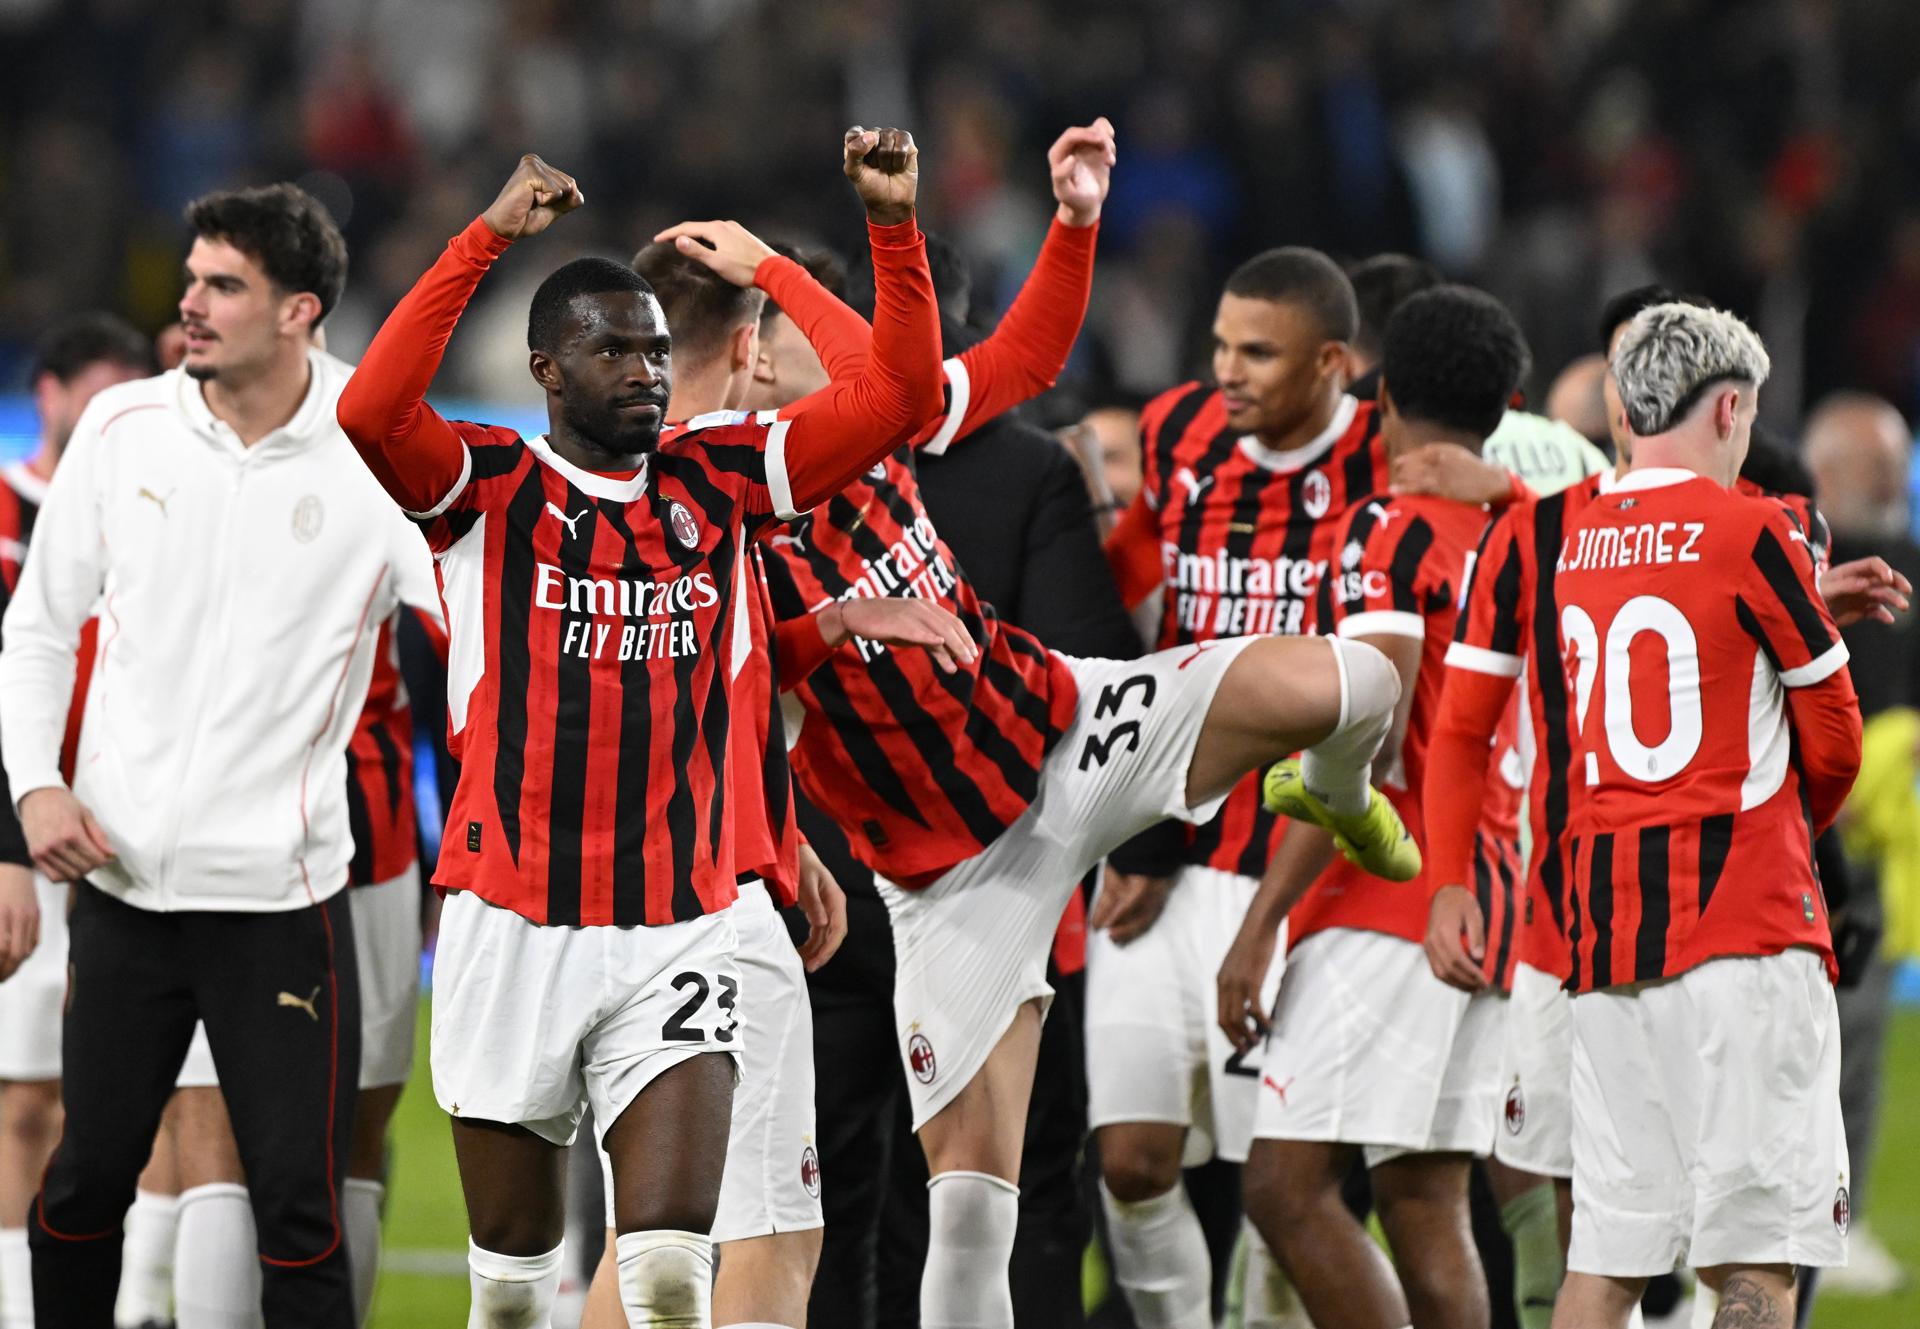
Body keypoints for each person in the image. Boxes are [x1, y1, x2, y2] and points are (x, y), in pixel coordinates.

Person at [657, 129, 1417, 1329]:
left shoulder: (867, 421)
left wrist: (1073, 222)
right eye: (805, 326)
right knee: (970, 1206)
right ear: (751, 353)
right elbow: (734, 703)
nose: (839, 346)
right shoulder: (704, 508)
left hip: (1065, 730)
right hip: (951, 877)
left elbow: (1015, 357)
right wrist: (842, 625)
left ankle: (1337, 794)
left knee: (1361, 685)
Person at [335, 132, 943, 1329]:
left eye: (657, 350)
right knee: (512, 1288)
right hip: (512, 926)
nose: (645, 371)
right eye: (612, 349)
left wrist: (874, 235)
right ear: (547, 371)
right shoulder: (485, 492)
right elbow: (368, 405)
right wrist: (487, 238)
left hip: (678, 929)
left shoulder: (720, 477)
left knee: (671, 1273)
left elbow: (903, 397)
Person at [0, 184, 427, 1329]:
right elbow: (37, 629)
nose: (186, 304)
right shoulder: (122, 428)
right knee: (87, 1185)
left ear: (301, 310)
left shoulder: (376, 450)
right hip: (125, 892)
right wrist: (34, 788)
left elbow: (484, 630)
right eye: (191, 279)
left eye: (220, 285)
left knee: (300, 1207)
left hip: (280, 902)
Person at [1217, 286, 1530, 1329]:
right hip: (1496, 891)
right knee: (1423, 1194)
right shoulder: (1531, 530)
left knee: (1283, 1185)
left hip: (1392, 898)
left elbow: (1368, 731)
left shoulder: (1385, 531)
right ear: (1508, 404)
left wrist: (1260, 925)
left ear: (1383, 395)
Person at [1544, 302, 1861, 1329]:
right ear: (1730, 407)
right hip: (1744, 935)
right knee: (1754, 1261)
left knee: (1606, 1259)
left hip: (1606, 940)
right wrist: (1784, 829)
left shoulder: (1577, 540)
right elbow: (1836, 739)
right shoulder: (1753, 530)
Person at [0, 314, 154, 1329]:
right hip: (24, 839)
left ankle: (136, 1306)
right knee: (21, 1099)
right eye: (91, 396)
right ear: (47, 395)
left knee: (112, 1103)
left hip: (123, 841)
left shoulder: (143, 510)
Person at [1800, 391, 1920, 1303]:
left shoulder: (1913, 559)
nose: (1890, 480)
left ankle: (1840, 1223)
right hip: (1788, 835)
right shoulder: (1792, 554)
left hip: (1875, 838)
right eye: (1874, 465)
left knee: (1862, 1037)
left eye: (1896, 463)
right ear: (1826, 469)